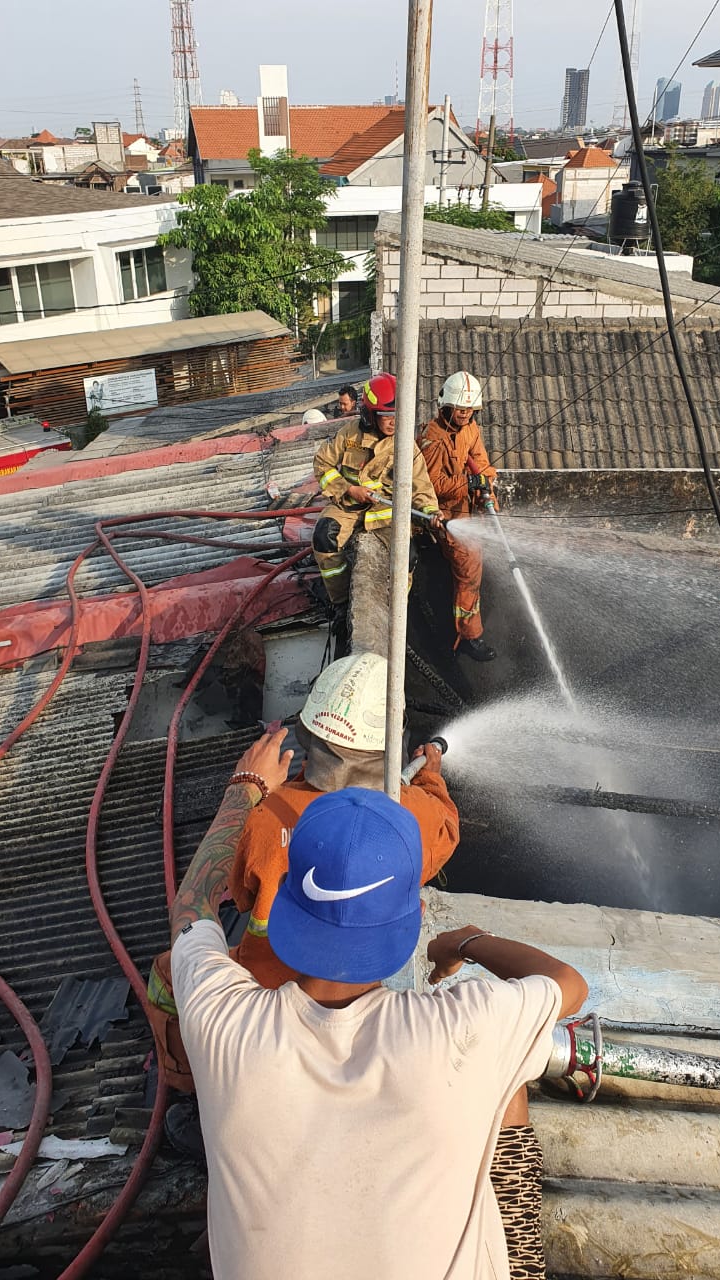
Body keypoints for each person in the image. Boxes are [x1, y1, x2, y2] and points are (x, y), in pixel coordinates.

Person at [170, 729, 588, 1280]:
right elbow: (567, 983)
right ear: (411, 913)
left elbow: (192, 906)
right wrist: (465, 942)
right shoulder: (463, 1028)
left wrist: (245, 788)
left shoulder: (222, 1020)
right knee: (506, 1075)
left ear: (288, 901)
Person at [228, 650, 459, 988]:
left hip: (264, 984)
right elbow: (446, 830)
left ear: (308, 732)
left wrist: (254, 789)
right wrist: (430, 779)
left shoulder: (265, 816)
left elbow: (241, 895)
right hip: (358, 983)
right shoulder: (412, 814)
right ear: (390, 742)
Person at [312, 372, 441, 616]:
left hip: (385, 513)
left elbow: (420, 485)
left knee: (408, 556)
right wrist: (349, 489)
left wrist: (431, 511)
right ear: (370, 414)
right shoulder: (349, 434)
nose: (394, 422)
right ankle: (339, 602)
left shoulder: (405, 445)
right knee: (323, 535)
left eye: (398, 416)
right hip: (347, 505)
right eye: (387, 416)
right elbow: (322, 465)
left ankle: (396, 610)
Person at [419, 370, 499, 662]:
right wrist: (469, 484)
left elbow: (481, 462)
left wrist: (485, 484)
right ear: (446, 407)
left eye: (470, 409)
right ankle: (468, 636)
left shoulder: (470, 429)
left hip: (467, 506)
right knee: (469, 563)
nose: (466, 414)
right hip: (443, 513)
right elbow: (432, 487)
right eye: (461, 409)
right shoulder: (433, 439)